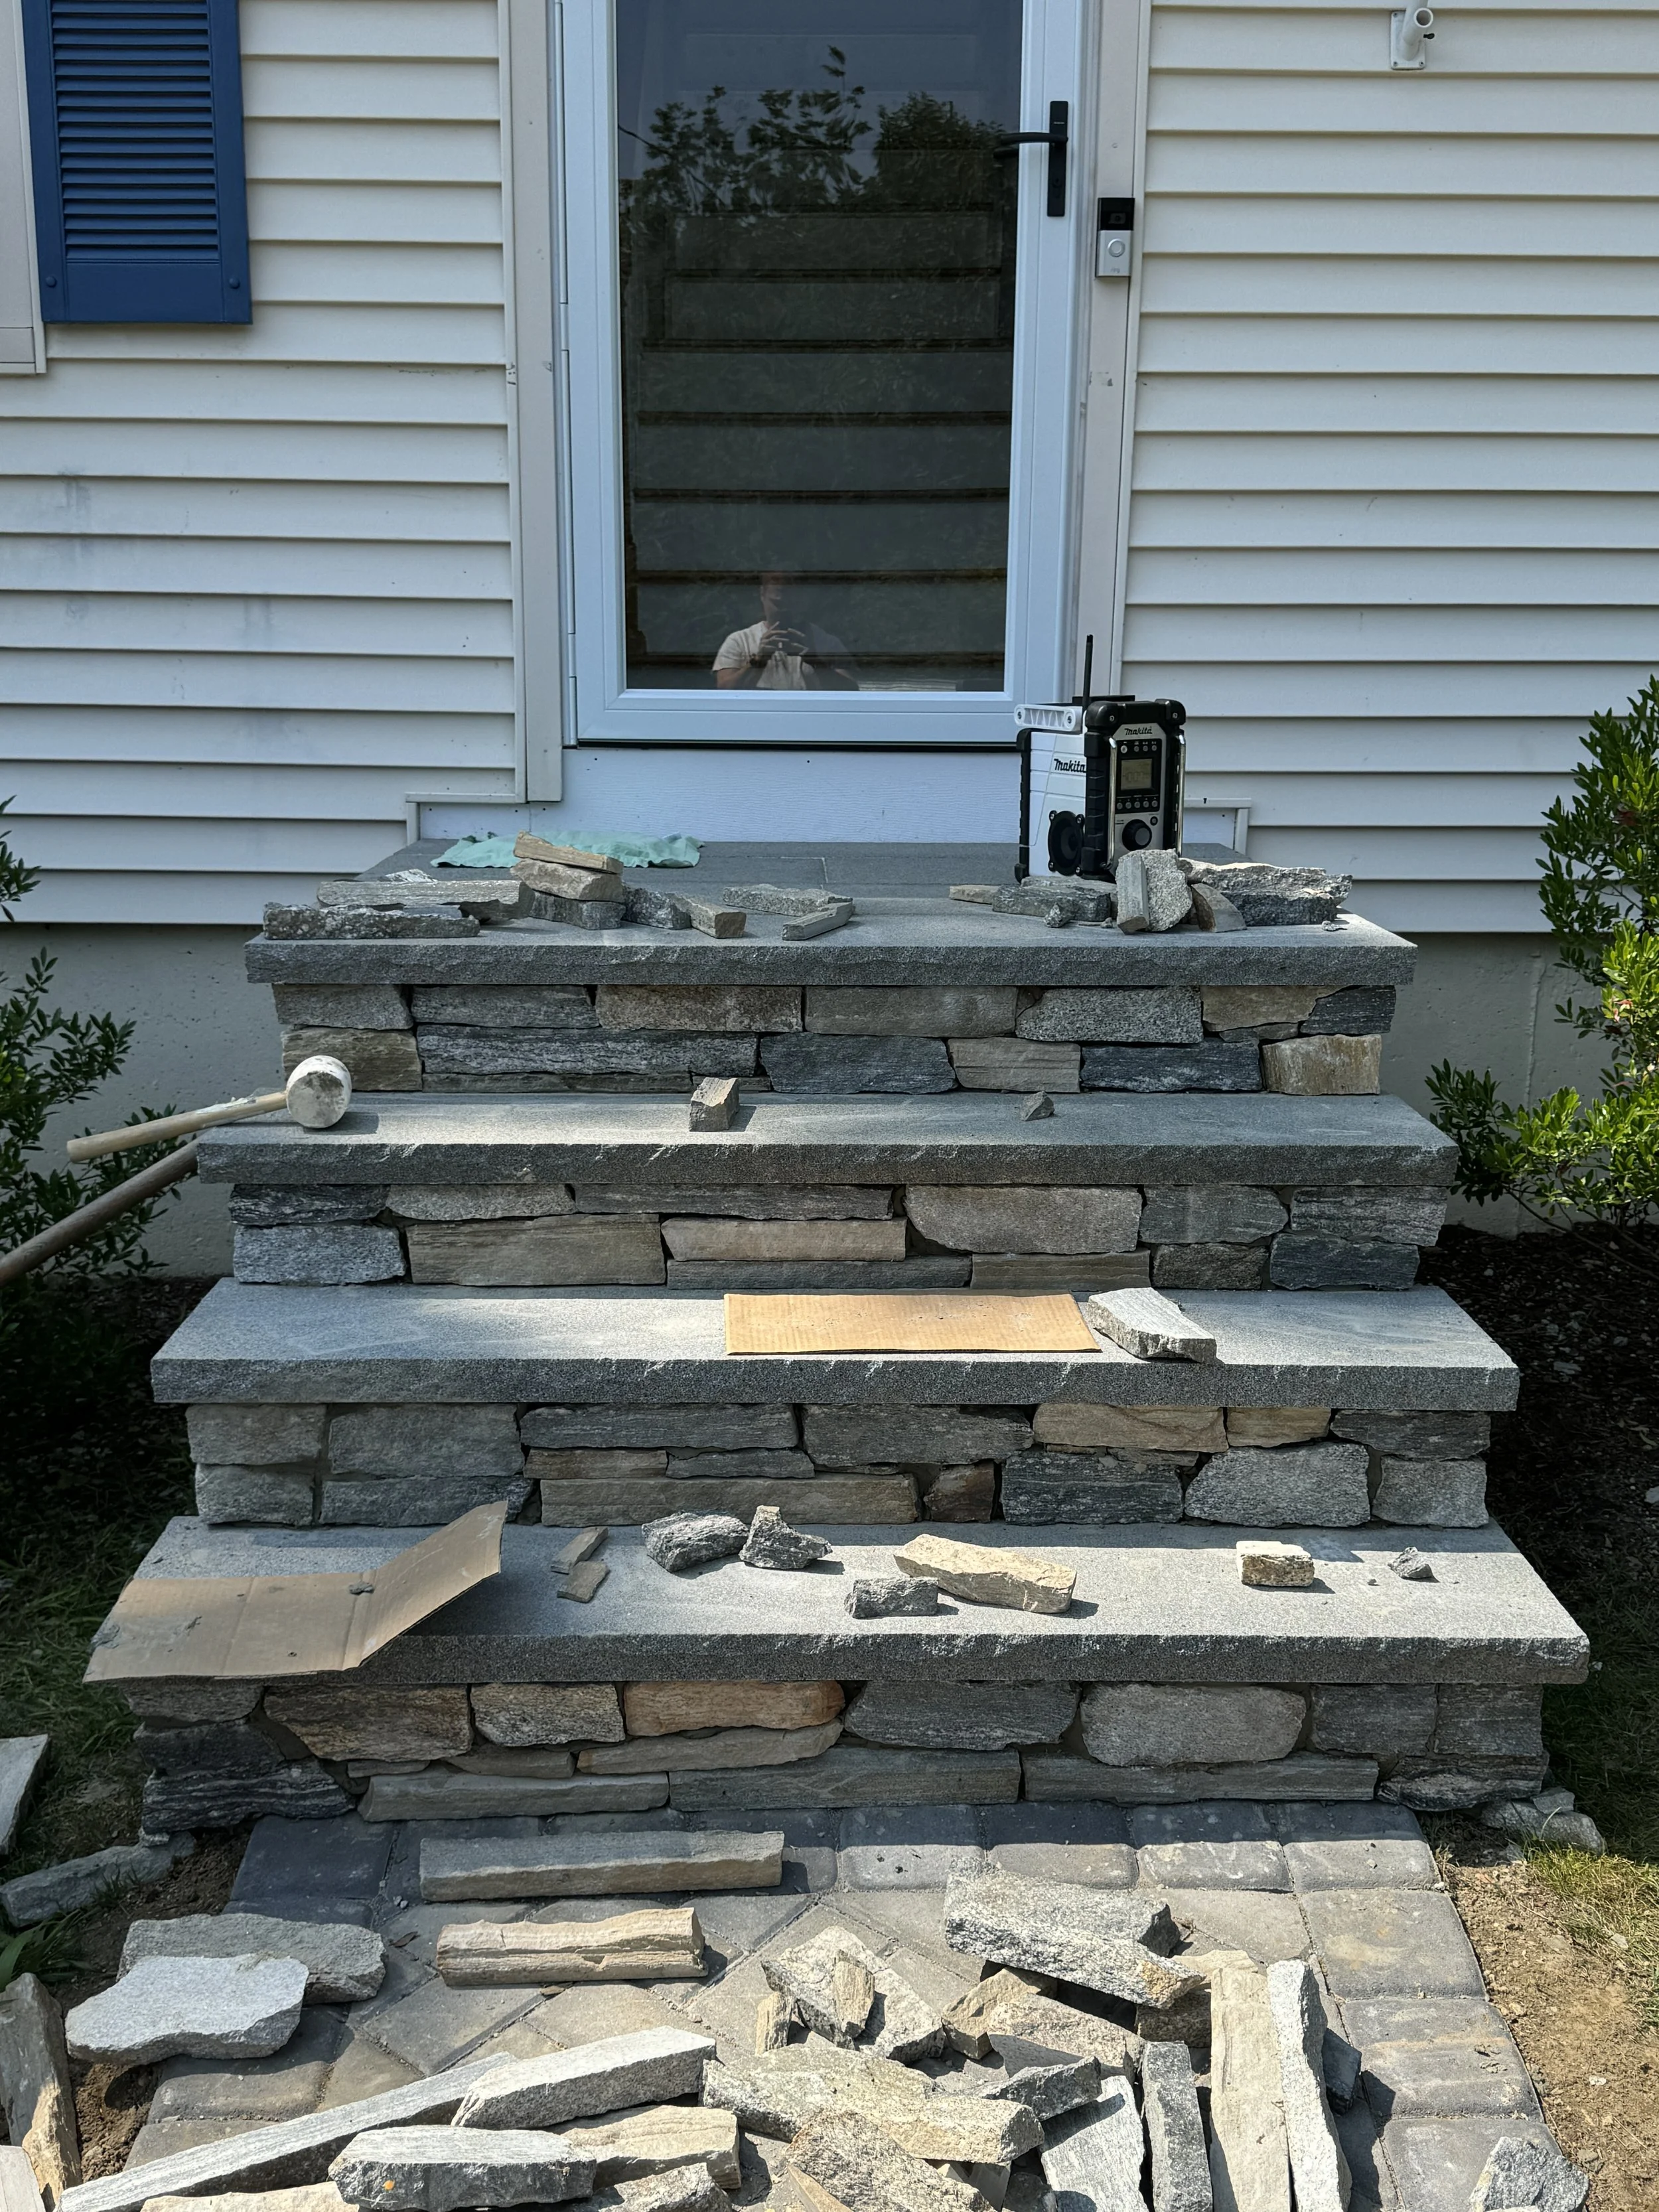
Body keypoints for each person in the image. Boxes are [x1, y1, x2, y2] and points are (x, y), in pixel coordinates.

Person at [713, 571, 858, 690]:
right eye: (777, 603)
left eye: (791, 603)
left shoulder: (826, 642)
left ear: (802, 601)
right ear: (762, 595)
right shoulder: (739, 641)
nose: (784, 609)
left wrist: (815, 662)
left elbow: (850, 692)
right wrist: (759, 660)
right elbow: (724, 691)